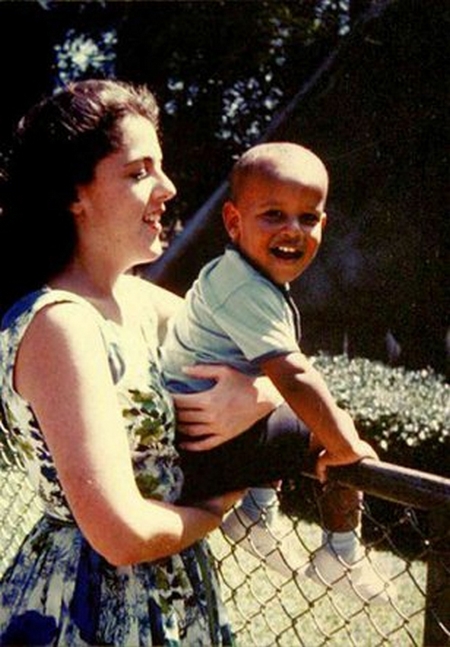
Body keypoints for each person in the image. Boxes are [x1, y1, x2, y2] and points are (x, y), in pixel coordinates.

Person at [0, 78, 284, 646]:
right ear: (74, 194)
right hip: (86, 607)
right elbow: (121, 533)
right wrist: (217, 504)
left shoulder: (137, 301)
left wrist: (256, 396)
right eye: (138, 172)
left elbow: (284, 359)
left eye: (161, 167)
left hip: (173, 594)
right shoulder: (61, 324)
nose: (168, 187)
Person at [161, 142, 396, 604]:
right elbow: (294, 376)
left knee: (281, 405)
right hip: (203, 444)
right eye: (273, 214)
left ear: (322, 226)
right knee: (330, 425)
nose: (293, 230)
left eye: (308, 218)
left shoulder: (236, 275)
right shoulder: (246, 289)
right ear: (233, 222)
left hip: (195, 436)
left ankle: (256, 510)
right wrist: (346, 446)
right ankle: (340, 555)